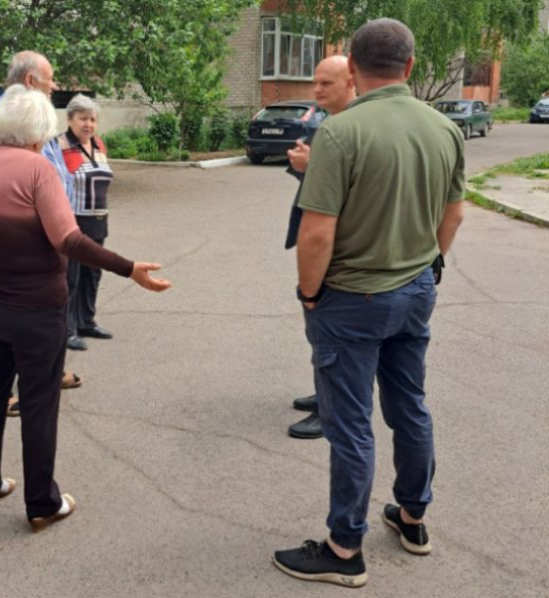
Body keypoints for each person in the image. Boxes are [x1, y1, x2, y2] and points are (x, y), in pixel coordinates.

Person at [272, 18, 464, 587]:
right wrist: (430, 265)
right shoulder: (443, 128)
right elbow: (452, 215)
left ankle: (344, 547)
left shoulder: (341, 132)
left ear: (352, 68)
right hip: (415, 290)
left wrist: (310, 294)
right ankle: (412, 516)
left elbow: (317, 234)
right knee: (410, 406)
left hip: (353, 298)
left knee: (350, 422)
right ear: (410, 67)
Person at [0, 85, 171, 531]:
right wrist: (128, 267)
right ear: (41, 131)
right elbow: (69, 239)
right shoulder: (38, 170)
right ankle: (42, 503)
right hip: (36, 312)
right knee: (39, 403)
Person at [0, 50, 81, 414]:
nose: (55, 86)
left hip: (52, 238)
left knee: (50, 309)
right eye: (50, 79)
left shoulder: (35, 115)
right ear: (31, 80)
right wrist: (8, 182)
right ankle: (3, 390)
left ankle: (45, 372)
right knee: (13, 312)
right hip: (20, 239)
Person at [284, 55, 356, 440]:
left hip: (338, 250)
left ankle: (330, 411)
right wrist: (302, 167)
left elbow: (354, 196)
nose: (317, 90)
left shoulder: (350, 129)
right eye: (316, 82)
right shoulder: (328, 123)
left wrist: (312, 167)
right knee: (318, 332)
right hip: (323, 243)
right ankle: (323, 393)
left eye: (326, 83)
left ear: (351, 81)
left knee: (330, 331)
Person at [58, 95, 114, 351]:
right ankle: (67, 330)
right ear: (70, 119)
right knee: (71, 277)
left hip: (98, 219)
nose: (88, 124)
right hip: (73, 221)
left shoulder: (99, 145)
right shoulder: (59, 145)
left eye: (92, 119)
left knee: (92, 274)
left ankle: (86, 322)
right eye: (83, 118)